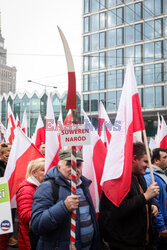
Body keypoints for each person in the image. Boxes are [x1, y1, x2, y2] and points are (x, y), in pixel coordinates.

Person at [31, 148, 99, 250]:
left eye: (78, 164)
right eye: (69, 164)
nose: (75, 168)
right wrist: (63, 207)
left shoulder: (83, 185)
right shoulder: (47, 187)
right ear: (59, 167)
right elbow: (37, 225)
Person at [99, 142, 159, 250]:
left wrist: (153, 205)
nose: (148, 165)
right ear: (134, 158)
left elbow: (144, 198)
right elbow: (118, 210)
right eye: (145, 161)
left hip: (143, 242)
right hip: (124, 244)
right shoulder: (117, 179)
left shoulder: (139, 176)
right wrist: (145, 197)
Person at [16, 158, 45, 250]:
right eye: (43, 170)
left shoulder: (41, 186)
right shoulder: (26, 189)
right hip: (29, 239)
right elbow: (25, 216)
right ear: (34, 173)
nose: (47, 172)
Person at [145, 148, 167, 250]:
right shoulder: (151, 177)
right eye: (165, 157)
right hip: (161, 227)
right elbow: (154, 202)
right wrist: (161, 227)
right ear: (156, 160)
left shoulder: (162, 174)